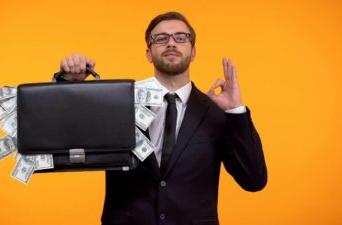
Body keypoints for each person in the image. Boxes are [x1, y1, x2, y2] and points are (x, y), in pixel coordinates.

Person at [54, 11, 267, 225]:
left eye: (181, 37)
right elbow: (66, 138)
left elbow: (254, 180)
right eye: (161, 38)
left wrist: (235, 111)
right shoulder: (119, 104)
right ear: (149, 53)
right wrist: (70, 85)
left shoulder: (216, 113)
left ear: (193, 52)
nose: (171, 43)